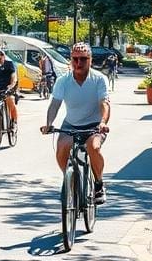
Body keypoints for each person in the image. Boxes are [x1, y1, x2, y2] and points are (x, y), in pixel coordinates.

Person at [41, 42, 110, 204]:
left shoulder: (99, 79)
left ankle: (99, 183)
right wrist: (49, 123)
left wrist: (102, 122)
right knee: (61, 148)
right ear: (70, 60)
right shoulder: (63, 81)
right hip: (71, 125)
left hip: (94, 125)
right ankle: (70, 179)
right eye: (75, 59)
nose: (79, 63)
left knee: (94, 148)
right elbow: (55, 104)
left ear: (90, 60)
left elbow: (104, 103)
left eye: (83, 59)